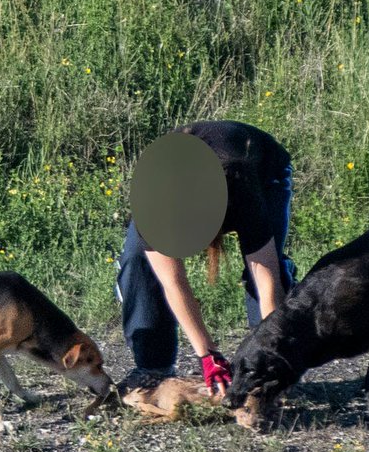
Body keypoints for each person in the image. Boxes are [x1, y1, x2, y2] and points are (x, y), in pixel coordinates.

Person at [116, 120, 297, 394]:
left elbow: (265, 276)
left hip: (263, 173)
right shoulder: (151, 200)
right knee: (138, 262)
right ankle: (153, 367)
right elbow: (173, 282)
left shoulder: (241, 185)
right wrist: (208, 355)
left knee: (260, 274)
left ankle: (271, 360)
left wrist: (272, 352)